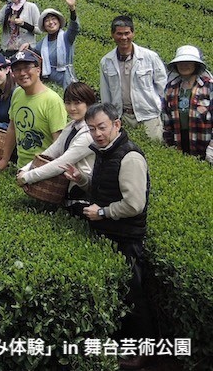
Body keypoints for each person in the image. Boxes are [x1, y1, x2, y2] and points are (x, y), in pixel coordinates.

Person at [62, 103, 154, 368]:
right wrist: (81, 179)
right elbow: (103, 188)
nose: (97, 133)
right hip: (109, 234)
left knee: (133, 296)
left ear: (117, 124)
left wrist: (102, 212)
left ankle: (143, 352)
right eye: (92, 129)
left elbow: (134, 204)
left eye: (102, 127)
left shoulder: (129, 156)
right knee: (122, 294)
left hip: (126, 237)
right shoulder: (104, 152)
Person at [17, 82, 97, 212]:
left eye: (77, 103)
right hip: (65, 192)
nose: (72, 108)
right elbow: (51, 152)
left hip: (82, 196)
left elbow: (62, 163)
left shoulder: (89, 133)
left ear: (89, 104)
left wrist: (28, 177)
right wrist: (24, 170)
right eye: (68, 103)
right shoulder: (71, 126)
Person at [0, 50, 66, 170]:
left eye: (27, 67)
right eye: (17, 69)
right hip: (21, 167)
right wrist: (5, 159)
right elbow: (12, 128)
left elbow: (58, 142)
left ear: (38, 69)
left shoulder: (52, 101)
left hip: (42, 169)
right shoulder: (17, 93)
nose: (22, 73)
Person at [99, 16, 167, 141]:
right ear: (112, 35)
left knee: (154, 145)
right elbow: (106, 93)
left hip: (148, 114)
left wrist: (161, 109)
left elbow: (162, 86)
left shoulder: (150, 57)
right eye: (119, 34)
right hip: (122, 115)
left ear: (133, 33)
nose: (124, 38)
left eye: (127, 33)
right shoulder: (106, 61)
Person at [160, 45, 212, 160]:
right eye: (181, 62)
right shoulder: (171, 87)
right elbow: (166, 118)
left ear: (196, 65)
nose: (184, 66)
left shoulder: (209, 86)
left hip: (203, 141)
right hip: (179, 139)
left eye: (189, 62)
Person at [30, 0, 80, 89]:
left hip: (67, 80)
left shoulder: (66, 37)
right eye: (47, 20)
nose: (51, 22)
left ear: (58, 21)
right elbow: (34, 56)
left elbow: (74, 27)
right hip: (50, 83)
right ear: (44, 25)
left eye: (53, 19)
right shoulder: (41, 45)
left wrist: (72, 9)